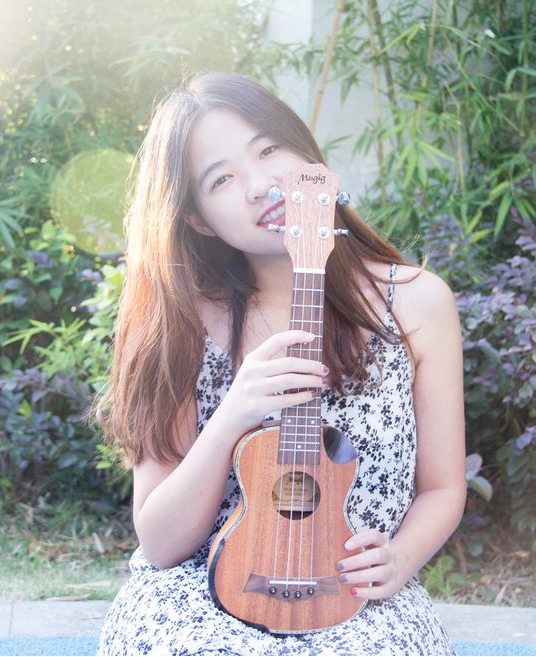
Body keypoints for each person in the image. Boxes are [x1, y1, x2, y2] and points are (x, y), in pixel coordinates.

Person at [96, 71, 466, 656]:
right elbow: (162, 542)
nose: (260, 184)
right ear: (197, 219)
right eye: (221, 179)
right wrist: (231, 418)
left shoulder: (419, 302)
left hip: (353, 590)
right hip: (199, 592)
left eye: (268, 149)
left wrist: (399, 557)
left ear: (309, 156)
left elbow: (443, 487)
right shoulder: (183, 321)